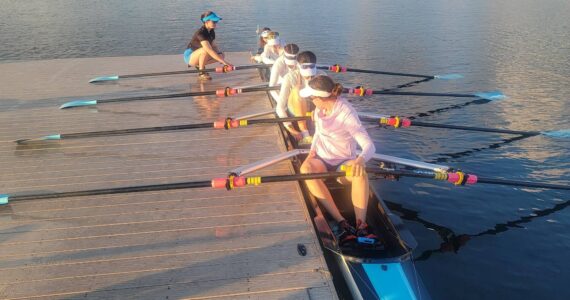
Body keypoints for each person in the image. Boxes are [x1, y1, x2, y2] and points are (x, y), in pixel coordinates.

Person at [299, 75, 378, 245]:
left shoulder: (346, 113)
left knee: (359, 173)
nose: (310, 100)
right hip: (322, 160)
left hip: (343, 163)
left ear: (320, 98)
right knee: (305, 171)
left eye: (311, 98)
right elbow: (318, 133)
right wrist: (311, 152)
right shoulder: (318, 111)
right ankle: (342, 222)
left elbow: (370, 146)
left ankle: (361, 225)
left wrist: (361, 159)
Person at [276, 51, 325, 144]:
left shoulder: (322, 75)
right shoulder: (290, 77)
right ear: (298, 66)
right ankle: (305, 133)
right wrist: (290, 129)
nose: (310, 78)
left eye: (312, 75)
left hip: (314, 110)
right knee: (297, 90)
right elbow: (280, 108)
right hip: (294, 110)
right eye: (307, 75)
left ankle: (320, 129)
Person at [184, 11, 232, 81]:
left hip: (200, 53)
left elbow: (214, 46)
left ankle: (200, 65)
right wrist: (225, 63)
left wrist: (221, 57)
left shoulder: (211, 31)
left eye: (216, 22)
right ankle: (201, 73)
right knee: (205, 50)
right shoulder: (200, 33)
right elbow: (209, 50)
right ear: (206, 22)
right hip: (190, 56)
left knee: (221, 55)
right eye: (214, 22)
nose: (216, 23)